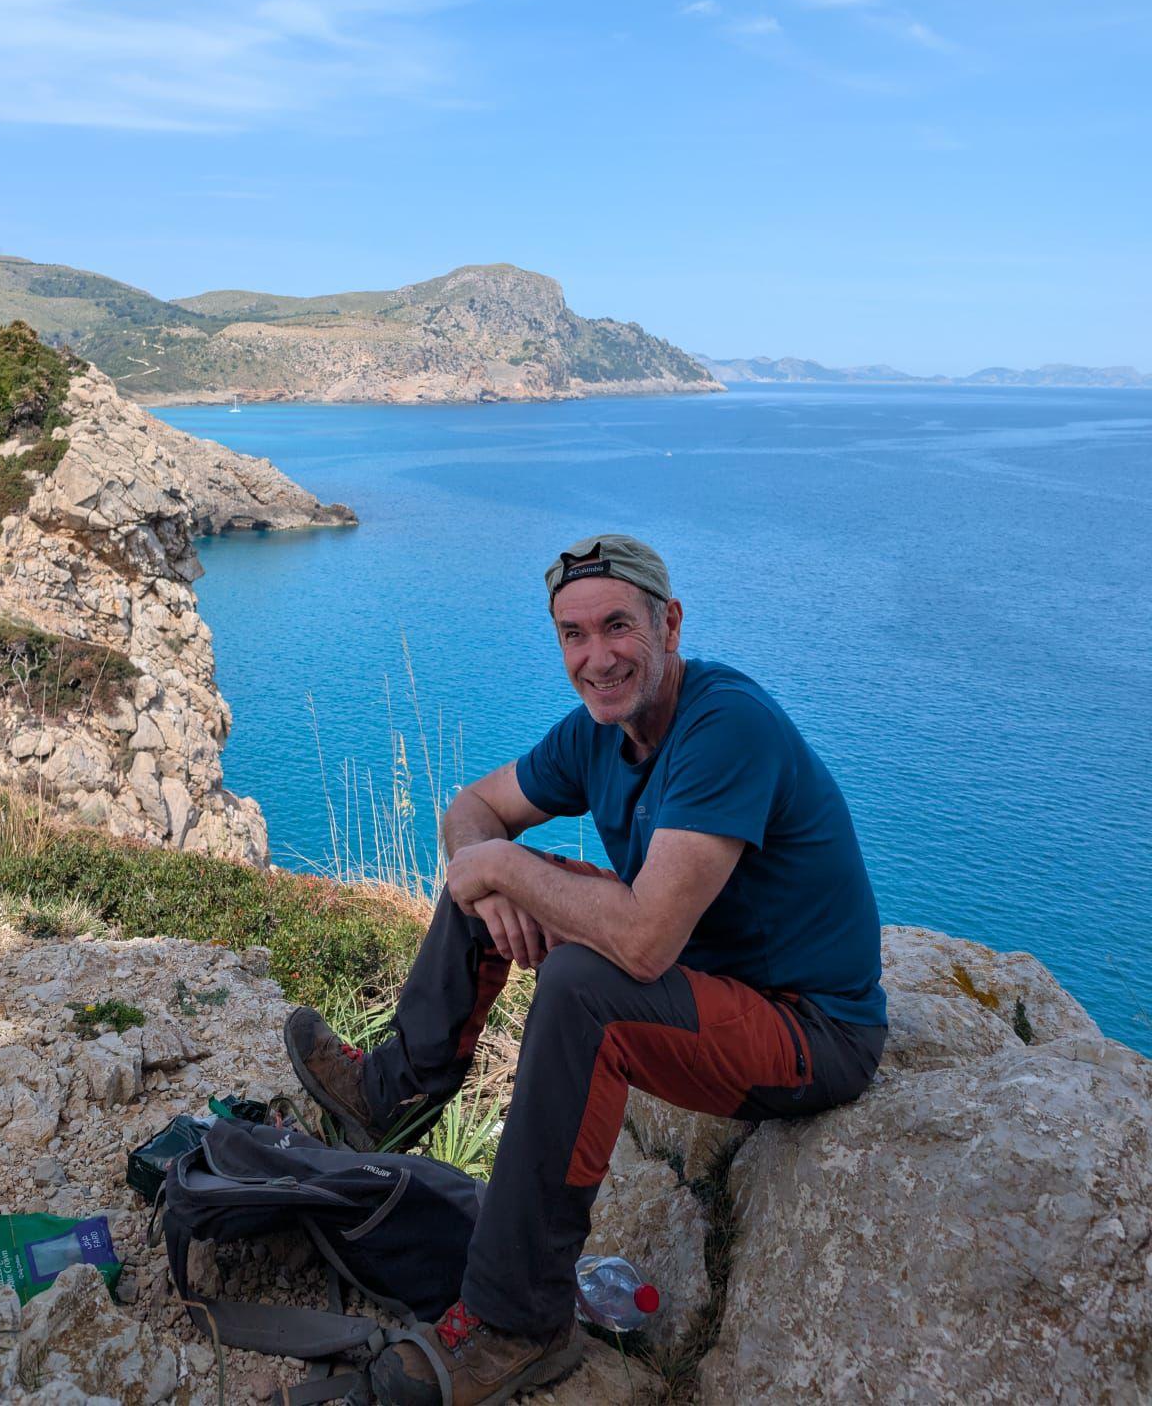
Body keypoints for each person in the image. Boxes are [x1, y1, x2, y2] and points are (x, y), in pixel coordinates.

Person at [284, 533, 888, 1406]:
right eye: (573, 635)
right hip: (701, 975)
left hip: (808, 1029)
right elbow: (476, 808)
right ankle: (391, 1096)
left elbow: (641, 945)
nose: (596, 657)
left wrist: (504, 869)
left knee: (580, 987)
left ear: (669, 624)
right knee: (491, 879)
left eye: (617, 627)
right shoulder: (600, 731)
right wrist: (488, 875)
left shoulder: (727, 726)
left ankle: (518, 1322)